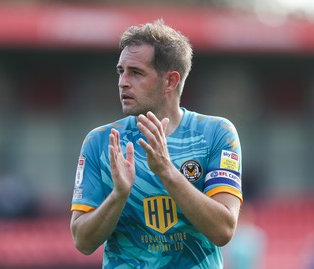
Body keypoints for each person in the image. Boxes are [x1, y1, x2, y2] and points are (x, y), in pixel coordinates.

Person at [70, 19, 243, 269]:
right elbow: (82, 241)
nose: (123, 82)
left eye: (136, 72)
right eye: (121, 71)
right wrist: (118, 196)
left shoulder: (216, 134)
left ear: (170, 81)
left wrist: (166, 170)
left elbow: (224, 230)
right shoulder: (101, 142)